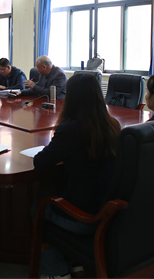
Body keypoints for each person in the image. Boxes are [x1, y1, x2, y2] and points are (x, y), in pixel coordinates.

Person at [33, 73, 121, 278]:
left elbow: (40, 162)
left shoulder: (69, 129)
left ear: (71, 98)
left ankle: (56, 271)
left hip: (84, 219)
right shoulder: (113, 125)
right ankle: (74, 259)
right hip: (109, 213)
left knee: (37, 207)